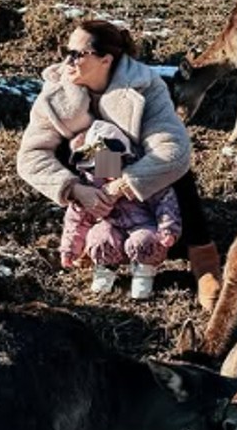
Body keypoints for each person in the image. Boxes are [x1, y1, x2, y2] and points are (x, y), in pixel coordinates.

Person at [17, 18, 222, 309]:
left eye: (77, 54)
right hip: (93, 171)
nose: (67, 61)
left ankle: (203, 259)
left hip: (135, 167)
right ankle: (96, 240)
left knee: (178, 172)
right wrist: (76, 190)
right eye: (66, 52)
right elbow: (31, 155)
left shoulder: (145, 86)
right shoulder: (56, 91)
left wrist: (124, 184)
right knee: (71, 149)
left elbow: (173, 148)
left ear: (106, 60)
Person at [61, 118, 182, 299]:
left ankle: (144, 272)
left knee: (144, 240)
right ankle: (104, 270)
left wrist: (168, 229)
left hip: (142, 224)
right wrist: (70, 249)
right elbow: (77, 217)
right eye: (98, 164)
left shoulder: (140, 177)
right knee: (100, 238)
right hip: (111, 224)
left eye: (108, 161)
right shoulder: (91, 184)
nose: (104, 168)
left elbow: (165, 202)